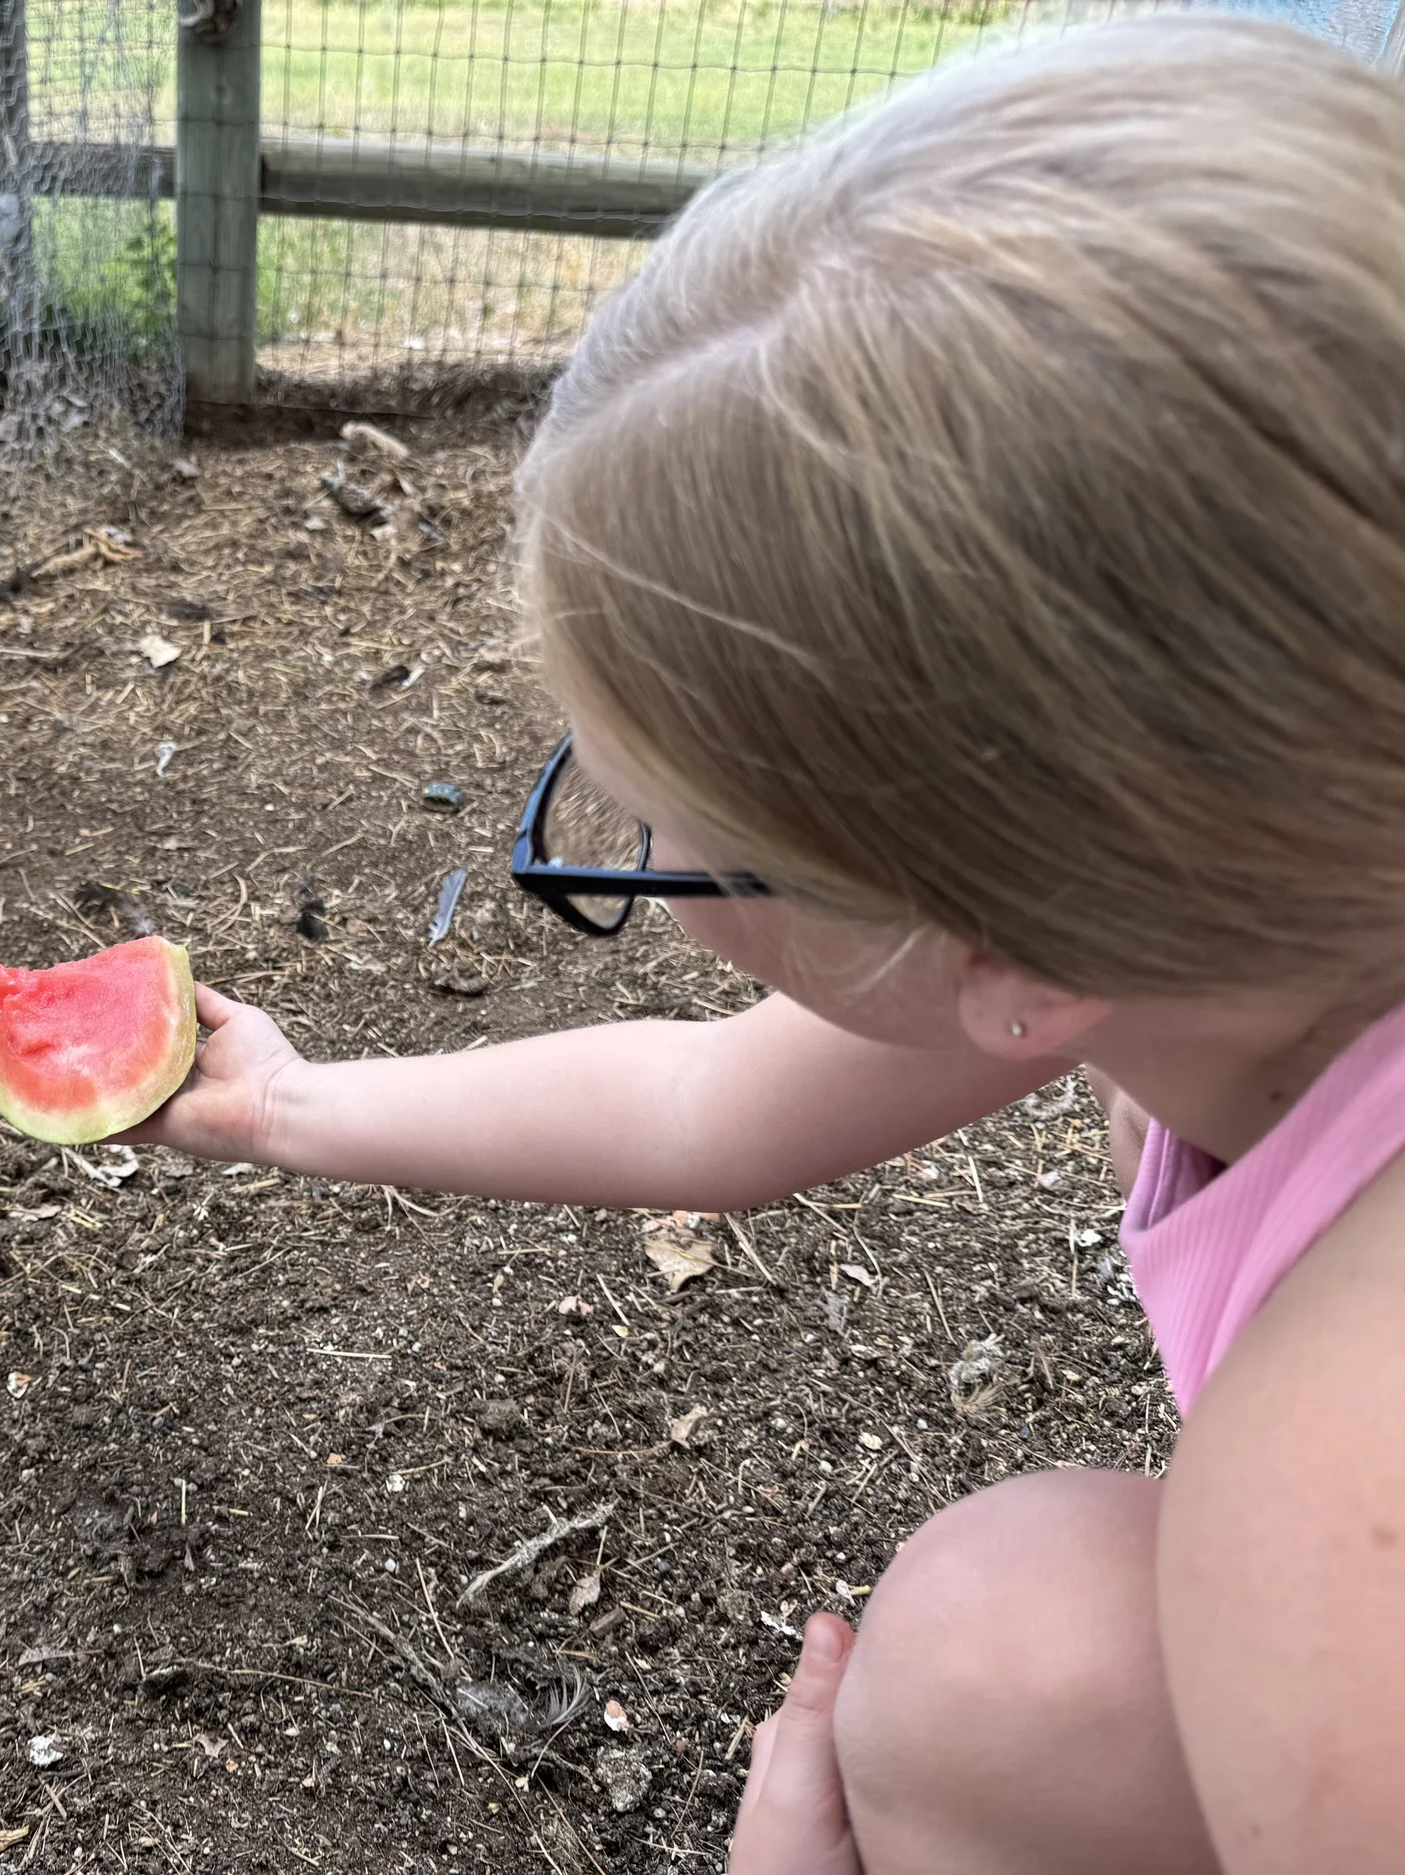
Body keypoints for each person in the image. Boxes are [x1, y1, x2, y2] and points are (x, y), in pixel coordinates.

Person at [129, 17, 1405, 1871]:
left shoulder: (1337, 1474)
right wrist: (287, 1106)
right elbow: (701, 1105)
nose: (639, 860)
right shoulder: (1250, 870)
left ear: (1009, 949)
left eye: (678, 850)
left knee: (992, 1646)